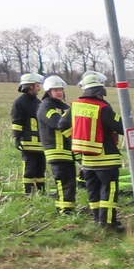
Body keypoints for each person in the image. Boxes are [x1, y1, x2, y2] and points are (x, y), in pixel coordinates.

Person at [60, 72, 125, 232]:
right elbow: (121, 127)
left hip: (87, 161)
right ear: (100, 91)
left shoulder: (74, 106)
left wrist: (75, 139)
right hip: (106, 159)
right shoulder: (102, 108)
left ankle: (98, 221)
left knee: (93, 192)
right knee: (109, 193)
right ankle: (108, 224)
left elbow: (62, 125)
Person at [36, 75, 76, 215]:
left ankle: (68, 209)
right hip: (56, 151)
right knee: (63, 182)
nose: (59, 92)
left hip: (67, 151)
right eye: (55, 90)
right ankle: (64, 211)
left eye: (60, 89)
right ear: (48, 92)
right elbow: (58, 124)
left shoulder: (63, 106)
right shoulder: (45, 107)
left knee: (70, 182)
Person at [11, 73, 45, 194]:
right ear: (30, 86)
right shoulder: (20, 102)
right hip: (27, 143)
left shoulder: (38, 102)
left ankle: (41, 191)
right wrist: (17, 138)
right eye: (37, 85)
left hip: (40, 143)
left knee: (41, 168)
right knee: (29, 168)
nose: (39, 88)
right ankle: (28, 192)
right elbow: (17, 121)